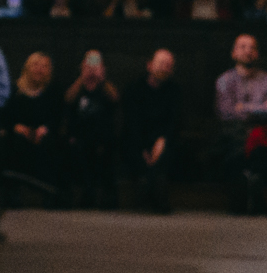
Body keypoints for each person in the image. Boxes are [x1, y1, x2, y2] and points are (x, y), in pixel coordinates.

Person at [123, 48, 180, 212]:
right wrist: (143, 149)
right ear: (149, 65)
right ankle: (153, 191)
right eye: (161, 63)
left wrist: (162, 141)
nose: (164, 68)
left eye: (168, 65)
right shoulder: (134, 88)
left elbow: (174, 123)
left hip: (163, 140)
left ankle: (150, 189)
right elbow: (131, 123)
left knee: (167, 154)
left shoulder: (175, 91)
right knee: (133, 151)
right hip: (137, 139)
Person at [64, 49, 120, 208]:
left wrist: (102, 79)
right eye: (88, 63)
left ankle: (107, 196)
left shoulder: (106, 88)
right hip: (80, 137)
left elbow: (115, 100)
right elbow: (68, 100)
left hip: (103, 137)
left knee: (107, 151)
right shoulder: (77, 87)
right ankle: (86, 193)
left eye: (96, 64)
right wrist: (82, 78)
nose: (92, 68)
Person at [2, 51, 62, 191]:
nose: (39, 69)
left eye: (44, 66)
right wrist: (16, 127)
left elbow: (57, 117)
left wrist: (46, 128)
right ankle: (15, 189)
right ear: (27, 67)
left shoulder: (53, 91)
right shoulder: (15, 90)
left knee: (51, 144)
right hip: (19, 134)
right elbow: (5, 117)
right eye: (35, 65)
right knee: (14, 143)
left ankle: (46, 190)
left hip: (43, 134)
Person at [215, 33, 267, 122]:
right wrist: (264, 107)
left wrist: (243, 107)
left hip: (262, 128)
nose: (248, 51)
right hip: (233, 129)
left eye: (253, 47)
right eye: (243, 47)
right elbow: (225, 112)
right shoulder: (224, 80)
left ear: (257, 53)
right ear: (233, 53)